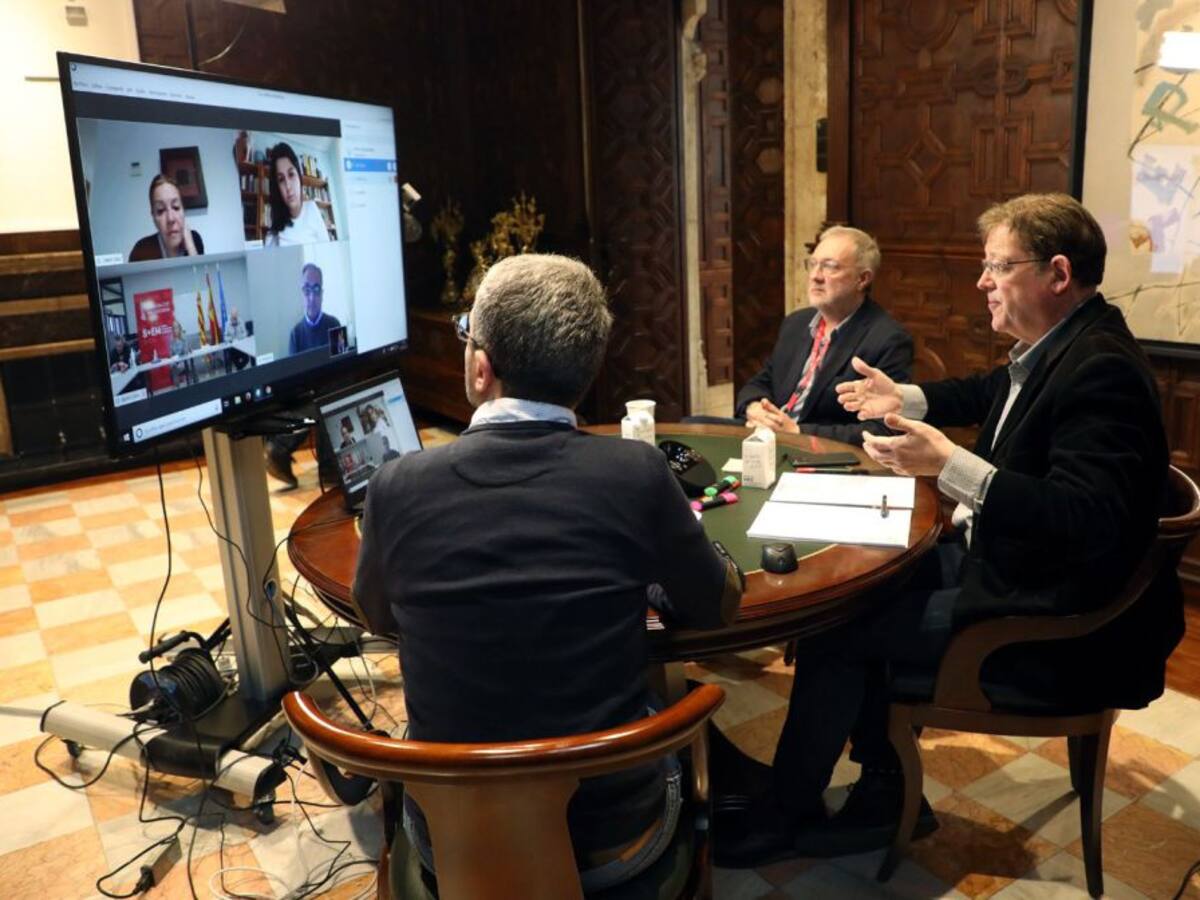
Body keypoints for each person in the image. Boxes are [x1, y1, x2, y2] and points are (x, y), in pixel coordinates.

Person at [718, 193, 1179, 867]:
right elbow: (989, 392)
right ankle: (884, 786)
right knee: (865, 585)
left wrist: (950, 465)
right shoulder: (1067, 342)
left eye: (998, 267)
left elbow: (1083, 519)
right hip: (1018, 566)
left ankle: (788, 814)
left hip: (1053, 619)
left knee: (839, 628)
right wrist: (901, 398)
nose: (982, 282)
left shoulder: (1102, 368)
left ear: (1057, 273)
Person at [352, 253, 743, 892]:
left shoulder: (396, 485)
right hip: (620, 837)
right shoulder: (637, 473)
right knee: (667, 709)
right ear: (586, 372)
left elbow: (376, 615)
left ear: (481, 368)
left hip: (450, 841)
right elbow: (715, 605)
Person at [734, 226, 912, 445]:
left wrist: (797, 431)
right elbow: (763, 381)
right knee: (695, 427)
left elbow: (883, 429)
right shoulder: (796, 323)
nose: (815, 276)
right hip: (768, 436)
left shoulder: (888, 339)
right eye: (813, 264)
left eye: (830, 267)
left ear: (862, 279)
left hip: (817, 451)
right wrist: (754, 407)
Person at [264, 142, 331, 247]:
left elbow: (328, 251)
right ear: (277, 188)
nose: (288, 186)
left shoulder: (311, 209)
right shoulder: (272, 236)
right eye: (281, 180)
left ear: (299, 177)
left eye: (291, 175)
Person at [129, 174, 205, 262]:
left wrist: (191, 248)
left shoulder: (194, 240)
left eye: (176, 207)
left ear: (183, 211)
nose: (170, 219)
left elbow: (199, 270)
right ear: (153, 217)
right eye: (160, 210)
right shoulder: (141, 251)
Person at [287, 263, 343, 355]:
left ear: (322, 294)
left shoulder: (335, 325)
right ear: (302, 294)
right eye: (307, 290)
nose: (312, 298)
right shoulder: (295, 335)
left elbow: (343, 362)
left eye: (316, 289)